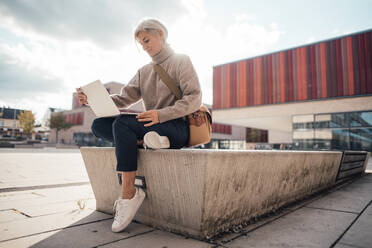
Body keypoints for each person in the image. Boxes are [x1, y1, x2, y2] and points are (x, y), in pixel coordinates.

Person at [76, 19, 202, 233]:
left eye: (147, 40)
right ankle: (151, 141)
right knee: (99, 125)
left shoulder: (181, 60)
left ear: (160, 34)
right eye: (141, 44)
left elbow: (195, 98)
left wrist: (161, 114)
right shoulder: (144, 71)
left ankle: (129, 193)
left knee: (123, 124)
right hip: (151, 127)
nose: (145, 47)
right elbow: (124, 99)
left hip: (177, 128)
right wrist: (92, 100)